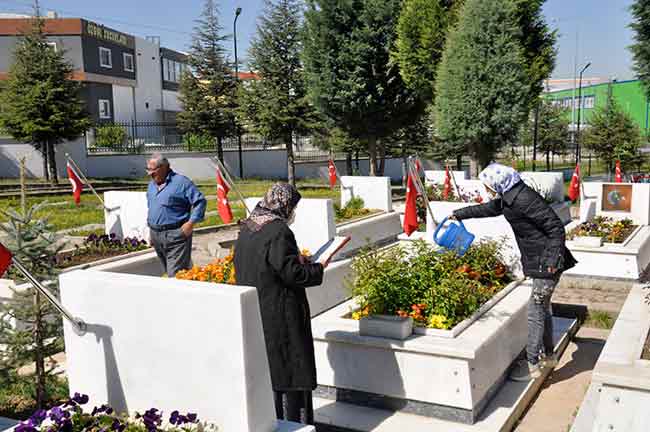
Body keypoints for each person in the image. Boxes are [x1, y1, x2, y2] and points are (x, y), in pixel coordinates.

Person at [450, 163, 576, 381]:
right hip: (540, 259)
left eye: (487, 185)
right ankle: (549, 356)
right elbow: (489, 208)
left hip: (547, 262)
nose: (487, 189)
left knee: (535, 310)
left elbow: (555, 227)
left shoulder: (523, 198)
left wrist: (551, 261)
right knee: (542, 308)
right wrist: (458, 214)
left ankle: (532, 364)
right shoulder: (511, 197)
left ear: (497, 182)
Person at [233, 183, 326, 425]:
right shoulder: (278, 231)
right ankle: (294, 423)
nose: (294, 212)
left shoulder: (251, 224)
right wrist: (317, 267)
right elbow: (293, 275)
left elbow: (268, 261)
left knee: (270, 371)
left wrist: (296, 259)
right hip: (280, 312)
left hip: (259, 307)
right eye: (293, 207)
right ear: (286, 204)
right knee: (288, 371)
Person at [146, 153, 206, 277]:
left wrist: (191, 223)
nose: (150, 174)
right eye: (148, 170)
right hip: (156, 235)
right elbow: (151, 207)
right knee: (168, 273)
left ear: (164, 167)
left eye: (153, 170)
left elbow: (200, 201)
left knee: (175, 276)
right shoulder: (151, 185)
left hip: (176, 235)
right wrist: (151, 230)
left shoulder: (181, 182)